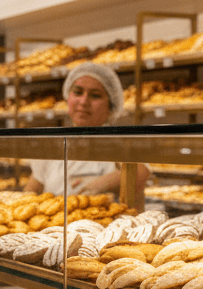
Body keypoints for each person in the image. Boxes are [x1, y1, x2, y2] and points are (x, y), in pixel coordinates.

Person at [23, 62, 150, 198]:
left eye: (95, 95)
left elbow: (140, 172)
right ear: (68, 97)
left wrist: (100, 184)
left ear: (111, 105)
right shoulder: (54, 145)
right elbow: (32, 190)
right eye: (77, 92)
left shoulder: (118, 142)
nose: (83, 102)